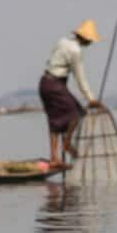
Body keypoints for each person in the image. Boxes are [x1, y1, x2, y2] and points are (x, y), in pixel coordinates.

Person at [38, 20, 102, 168]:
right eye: (90, 40)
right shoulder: (76, 51)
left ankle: (54, 158)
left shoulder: (62, 41)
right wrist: (91, 99)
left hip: (45, 83)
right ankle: (66, 144)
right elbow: (80, 77)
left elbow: (53, 59)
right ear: (85, 38)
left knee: (54, 120)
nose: (91, 43)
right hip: (54, 85)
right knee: (77, 113)